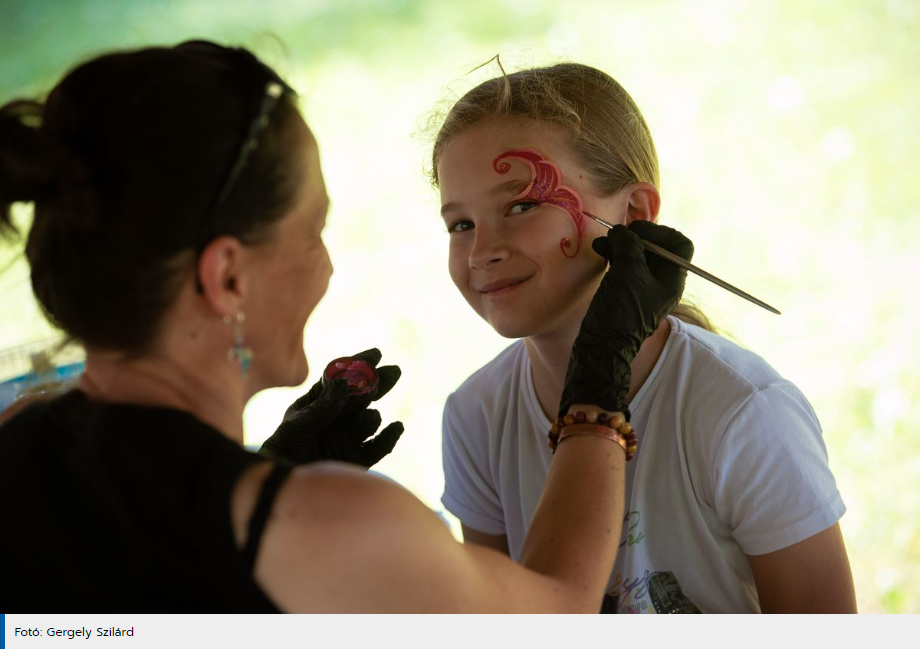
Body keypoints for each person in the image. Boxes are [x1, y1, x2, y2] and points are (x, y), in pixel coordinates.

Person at [0, 41, 688, 613]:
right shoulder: (331, 524)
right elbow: (556, 611)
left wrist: (265, 470)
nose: (327, 266)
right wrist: (598, 379)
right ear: (228, 277)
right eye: (311, 232)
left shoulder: (20, 438)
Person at [431, 62, 857, 613]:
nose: (482, 248)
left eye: (522, 205)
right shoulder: (476, 415)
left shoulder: (743, 414)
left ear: (633, 214)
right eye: (460, 223)